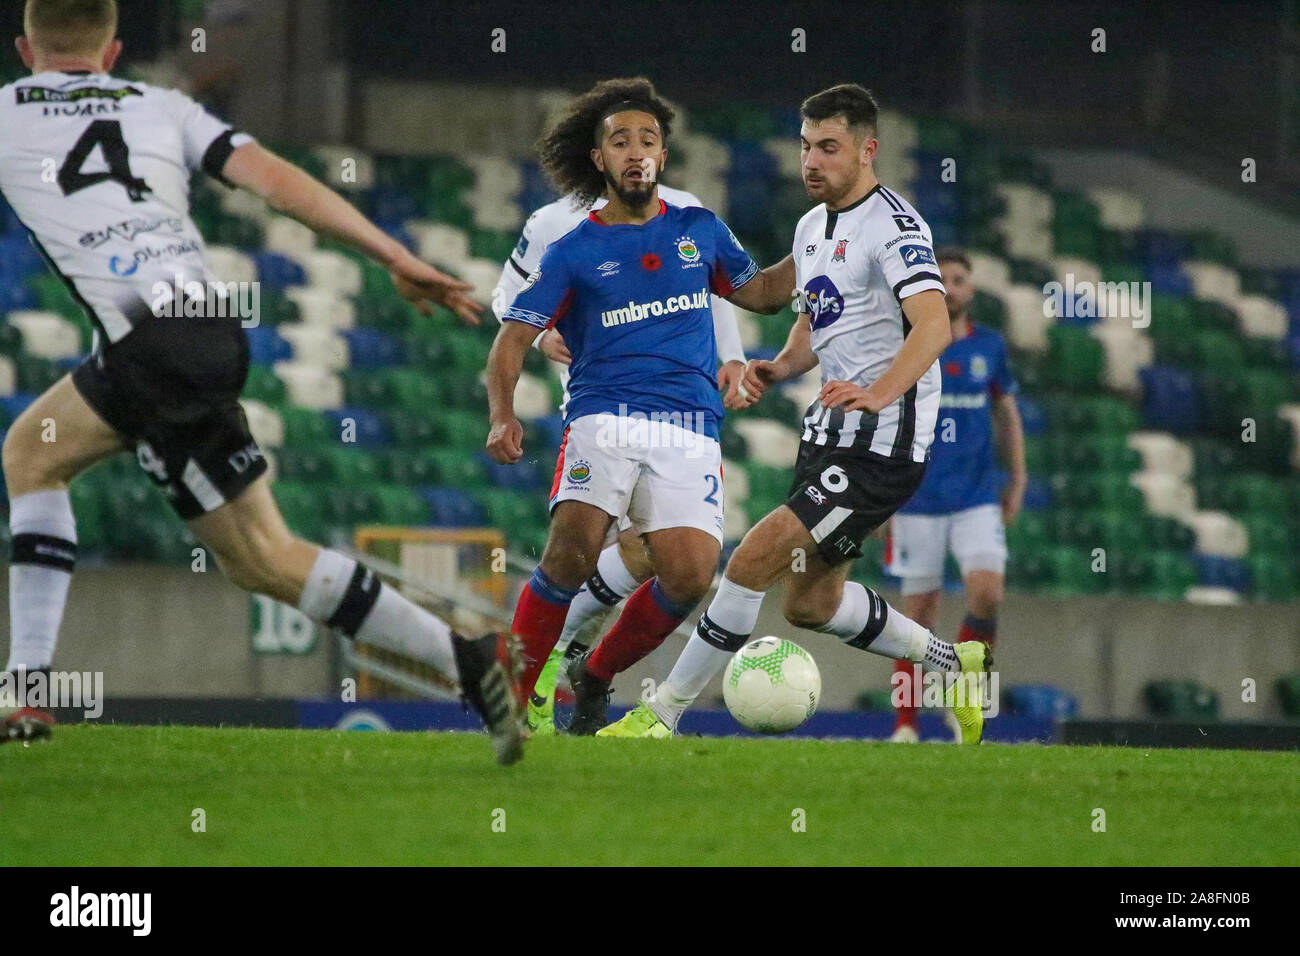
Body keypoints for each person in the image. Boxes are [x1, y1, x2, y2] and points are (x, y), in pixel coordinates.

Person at [0, 0, 523, 764]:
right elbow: (277, 183)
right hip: (206, 328)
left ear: (24, 49)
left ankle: (24, 688)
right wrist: (394, 256)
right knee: (248, 551)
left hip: (153, 348)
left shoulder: (10, 112)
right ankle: (468, 662)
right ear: (112, 52)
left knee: (53, 468)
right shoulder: (164, 105)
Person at [599, 84, 991, 743]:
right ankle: (952, 662)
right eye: (806, 147)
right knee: (812, 605)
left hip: (881, 447)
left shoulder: (896, 226)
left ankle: (660, 714)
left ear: (868, 151)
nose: (812, 160)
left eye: (829, 148)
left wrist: (879, 393)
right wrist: (777, 364)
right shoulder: (814, 225)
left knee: (751, 559)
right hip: (830, 437)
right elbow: (796, 299)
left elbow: (934, 328)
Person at [485, 77, 794, 735]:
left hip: (689, 425)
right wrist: (503, 412)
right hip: (604, 416)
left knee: (687, 576)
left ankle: (592, 676)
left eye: (647, 139)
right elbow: (509, 333)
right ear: (599, 158)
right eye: (620, 140)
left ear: (662, 153)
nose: (635, 151)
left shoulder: (699, 228)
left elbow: (760, 293)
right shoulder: (569, 242)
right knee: (570, 555)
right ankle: (510, 702)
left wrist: (823, 240)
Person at [885, 248, 1024, 741]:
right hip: (916, 497)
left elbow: (1007, 414)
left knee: (986, 595)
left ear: (971, 288)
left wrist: (1018, 479)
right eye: (941, 279)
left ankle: (967, 699)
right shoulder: (912, 343)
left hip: (977, 497)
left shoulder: (991, 346)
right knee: (915, 618)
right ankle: (906, 723)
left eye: (959, 278)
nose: (951, 286)